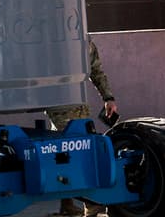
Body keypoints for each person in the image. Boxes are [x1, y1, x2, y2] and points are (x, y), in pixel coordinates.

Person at [46, 39, 118, 217]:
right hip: (61, 104)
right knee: (76, 152)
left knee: (65, 152)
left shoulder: (84, 41)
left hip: (76, 105)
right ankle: (91, 204)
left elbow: (96, 70)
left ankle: (68, 204)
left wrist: (108, 97)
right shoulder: (49, 38)